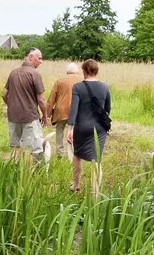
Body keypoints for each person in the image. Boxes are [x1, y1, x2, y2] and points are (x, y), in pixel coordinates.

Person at [67, 59, 111, 197]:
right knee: (96, 160)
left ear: (84, 71)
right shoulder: (105, 87)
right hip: (98, 128)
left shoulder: (77, 87)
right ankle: (95, 193)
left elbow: (73, 110)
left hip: (81, 128)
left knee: (77, 155)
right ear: (96, 71)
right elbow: (107, 109)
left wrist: (70, 129)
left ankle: (76, 185)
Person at [2, 47, 47, 163]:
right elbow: (41, 100)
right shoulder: (35, 74)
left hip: (13, 117)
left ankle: (13, 171)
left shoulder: (13, 73)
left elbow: (4, 94)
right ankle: (26, 177)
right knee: (30, 148)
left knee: (15, 146)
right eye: (39, 58)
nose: (41, 61)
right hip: (30, 117)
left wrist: (11, 106)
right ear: (31, 57)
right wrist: (45, 115)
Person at [46, 62, 82, 161]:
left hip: (61, 111)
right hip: (77, 111)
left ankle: (60, 154)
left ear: (67, 71)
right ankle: (73, 155)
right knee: (74, 132)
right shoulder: (83, 80)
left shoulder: (60, 80)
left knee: (59, 130)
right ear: (77, 71)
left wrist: (47, 115)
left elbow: (51, 99)